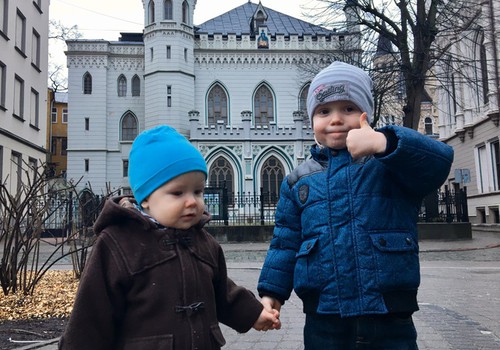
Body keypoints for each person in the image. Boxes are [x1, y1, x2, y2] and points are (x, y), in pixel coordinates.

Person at [257, 61, 454, 349]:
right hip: (324, 317)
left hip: (388, 315)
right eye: (324, 111)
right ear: (311, 119)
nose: (335, 119)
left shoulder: (389, 164)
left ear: (367, 114)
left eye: (348, 108)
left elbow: (438, 162)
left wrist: (385, 143)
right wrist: (272, 293)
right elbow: (285, 244)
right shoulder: (297, 182)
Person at [59, 125, 280, 350]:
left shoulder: (205, 243)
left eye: (198, 191)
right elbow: (90, 317)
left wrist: (253, 314)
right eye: (177, 193)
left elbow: (223, 293)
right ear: (145, 198)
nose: (192, 201)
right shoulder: (117, 244)